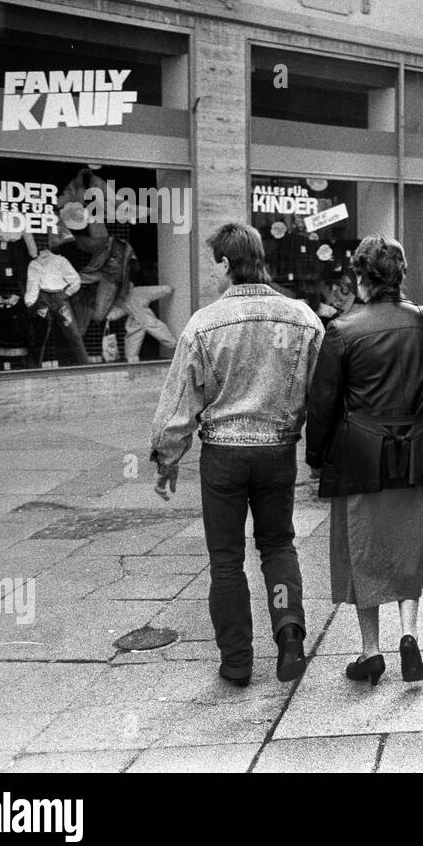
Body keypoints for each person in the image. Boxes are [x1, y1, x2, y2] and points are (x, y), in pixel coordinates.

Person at [150, 222, 324, 687]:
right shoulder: (303, 318)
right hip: (278, 452)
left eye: (216, 264)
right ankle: (289, 635)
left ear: (226, 264)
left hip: (223, 454)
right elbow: (322, 393)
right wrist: (316, 456)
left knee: (226, 559)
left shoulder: (204, 323)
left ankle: (237, 661)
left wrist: (168, 458)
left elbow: (179, 401)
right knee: (278, 544)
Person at [305, 235, 423, 685]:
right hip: (421, 458)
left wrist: (316, 458)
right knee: (410, 545)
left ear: (360, 277)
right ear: (402, 276)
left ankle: (370, 651)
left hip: (359, 458)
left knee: (364, 551)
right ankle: (410, 635)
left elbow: (322, 405)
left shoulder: (340, 330)